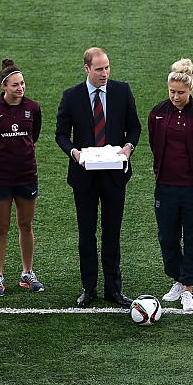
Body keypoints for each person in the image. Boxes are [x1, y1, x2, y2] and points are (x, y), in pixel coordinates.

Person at [54, 47, 141, 308]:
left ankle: (114, 289)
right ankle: (88, 288)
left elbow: (134, 127)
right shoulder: (71, 96)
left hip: (115, 175)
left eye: (107, 67)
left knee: (112, 234)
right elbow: (60, 134)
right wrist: (74, 153)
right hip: (84, 176)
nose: (105, 73)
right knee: (87, 234)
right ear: (87, 69)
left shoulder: (122, 91)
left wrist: (128, 148)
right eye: (99, 69)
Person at [146, 58, 193, 312]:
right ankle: (178, 279)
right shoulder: (157, 113)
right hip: (165, 185)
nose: (176, 97)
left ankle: (189, 289)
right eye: (172, 92)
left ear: (190, 91)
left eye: (181, 93)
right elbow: (154, 144)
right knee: (168, 236)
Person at [0, 59, 44, 296]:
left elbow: (33, 136)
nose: (21, 88)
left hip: (27, 174)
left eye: (23, 83)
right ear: (4, 86)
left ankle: (27, 273)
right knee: (2, 226)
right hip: (1, 177)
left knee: (26, 225)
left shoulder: (33, 108)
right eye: (16, 84)